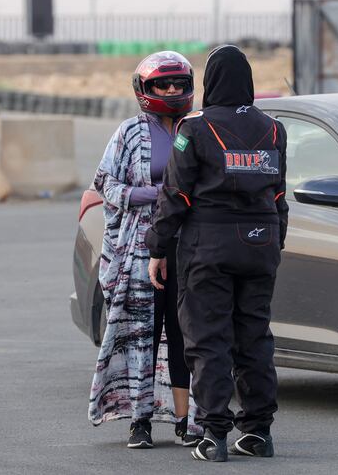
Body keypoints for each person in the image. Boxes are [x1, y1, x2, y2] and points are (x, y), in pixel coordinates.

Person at [145, 44, 288, 462]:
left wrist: (158, 247)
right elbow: (279, 195)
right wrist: (273, 244)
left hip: (208, 246)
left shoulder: (195, 129)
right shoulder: (275, 130)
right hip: (261, 246)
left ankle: (213, 435)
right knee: (255, 338)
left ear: (211, 83)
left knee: (209, 340)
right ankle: (258, 432)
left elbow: (175, 195)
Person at [88, 51, 203, 449]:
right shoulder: (129, 132)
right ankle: (140, 421)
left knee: (185, 333)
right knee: (143, 334)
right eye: (162, 84)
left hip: (188, 248)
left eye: (178, 84)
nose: (172, 90)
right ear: (144, 89)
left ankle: (186, 421)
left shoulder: (199, 128)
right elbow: (106, 186)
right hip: (138, 251)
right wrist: (153, 195)